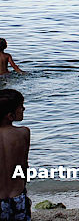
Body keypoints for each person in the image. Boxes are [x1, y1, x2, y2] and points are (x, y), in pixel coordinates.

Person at [0, 89, 31, 221]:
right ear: (10, 115)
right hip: (17, 196)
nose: (23, 109)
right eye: (21, 106)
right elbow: (23, 167)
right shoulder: (23, 133)